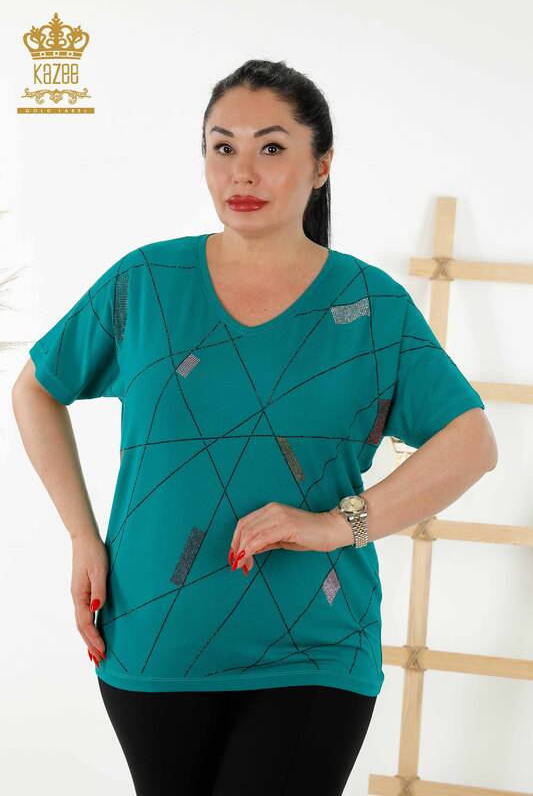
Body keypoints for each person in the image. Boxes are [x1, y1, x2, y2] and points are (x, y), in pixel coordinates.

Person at [12, 58, 498, 795]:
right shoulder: (146, 283)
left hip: (315, 642)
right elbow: (36, 390)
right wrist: (83, 536)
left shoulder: (371, 307)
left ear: (321, 165)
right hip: (154, 631)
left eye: (271, 147)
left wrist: (336, 525)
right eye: (222, 146)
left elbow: (471, 444)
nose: (241, 171)